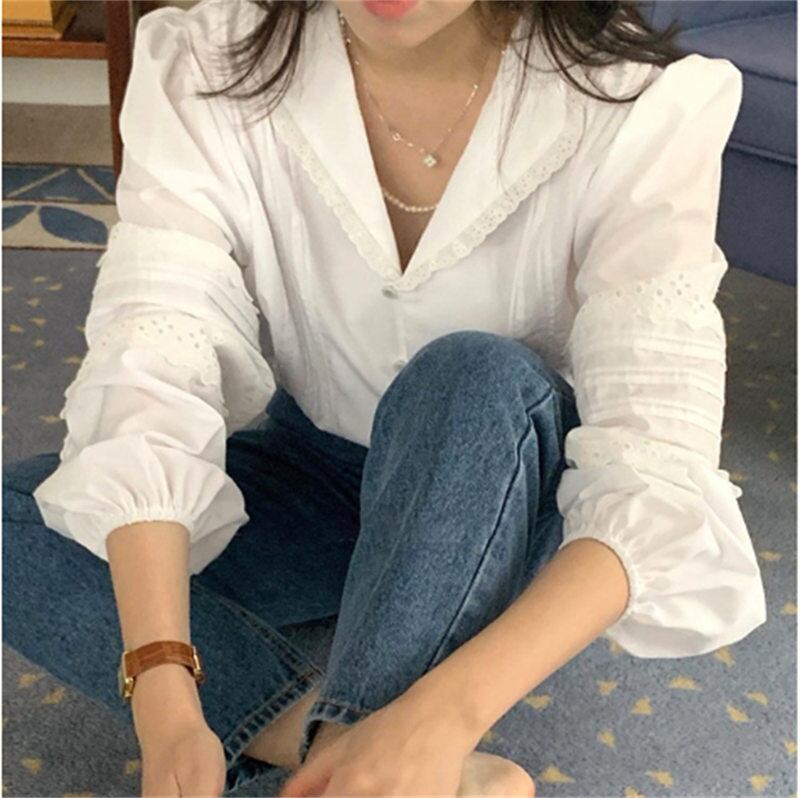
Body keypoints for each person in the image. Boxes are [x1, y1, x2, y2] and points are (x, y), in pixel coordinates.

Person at [3, 0, 768, 796]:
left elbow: (657, 468)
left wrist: (447, 714)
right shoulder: (205, 62)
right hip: (314, 468)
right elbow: (152, 365)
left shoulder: (635, 101)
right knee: (15, 522)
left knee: (473, 375)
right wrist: (164, 697)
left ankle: (368, 747)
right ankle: (355, 754)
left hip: (500, 492)